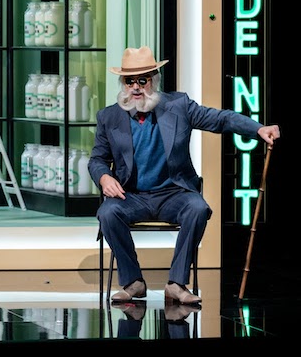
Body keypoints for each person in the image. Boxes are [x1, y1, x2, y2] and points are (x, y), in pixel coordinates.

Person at [90, 46, 280, 306]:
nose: (135, 87)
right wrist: (104, 178)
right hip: (131, 196)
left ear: (154, 80)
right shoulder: (109, 116)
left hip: (173, 194)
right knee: (108, 213)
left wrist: (257, 129)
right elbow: (97, 160)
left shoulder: (178, 106)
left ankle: (176, 284)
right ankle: (133, 281)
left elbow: (220, 119)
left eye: (142, 80)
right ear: (123, 83)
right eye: (129, 81)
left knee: (198, 208)